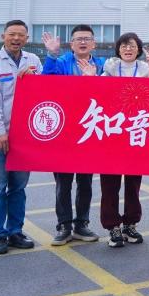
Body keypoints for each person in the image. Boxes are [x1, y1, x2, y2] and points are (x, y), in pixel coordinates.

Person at [0, 20, 41, 255]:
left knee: (18, 188)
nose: (16, 39)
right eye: (12, 34)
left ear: (27, 38)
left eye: (21, 35)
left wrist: (34, 78)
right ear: (3, 36)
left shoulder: (33, 60)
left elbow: (44, 91)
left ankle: (15, 231)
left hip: (24, 137)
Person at [42, 25, 102, 246]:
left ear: (94, 43)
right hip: (64, 131)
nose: (83, 42)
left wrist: (93, 80)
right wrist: (51, 54)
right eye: (78, 39)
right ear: (71, 44)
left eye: (87, 38)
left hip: (88, 131)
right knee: (63, 182)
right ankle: (64, 225)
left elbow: (110, 92)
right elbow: (46, 83)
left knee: (85, 181)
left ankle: (81, 224)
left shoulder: (103, 65)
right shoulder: (60, 62)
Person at [98, 32, 149, 248]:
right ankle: (112, 226)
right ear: (118, 49)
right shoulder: (110, 68)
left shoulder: (145, 68)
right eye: (123, 46)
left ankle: (130, 223)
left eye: (132, 45)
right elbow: (98, 91)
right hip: (113, 132)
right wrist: (91, 77)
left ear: (138, 48)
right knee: (109, 184)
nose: (128, 49)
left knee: (133, 183)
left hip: (136, 132)